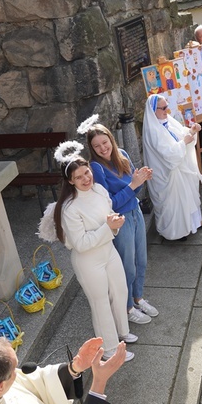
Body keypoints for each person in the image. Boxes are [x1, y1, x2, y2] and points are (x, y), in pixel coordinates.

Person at [44, 150, 135, 361]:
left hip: (108, 251)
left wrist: (115, 224)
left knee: (120, 291)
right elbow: (81, 243)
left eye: (87, 173)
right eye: (79, 177)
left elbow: (109, 217)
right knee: (100, 302)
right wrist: (108, 228)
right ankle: (110, 349)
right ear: (70, 181)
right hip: (88, 261)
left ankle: (122, 332)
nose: (86, 179)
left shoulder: (100, 190)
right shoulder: (69, 207)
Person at [87, 123, 158, 326]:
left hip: (135, 212)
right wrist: (133, 184)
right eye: (97, 145)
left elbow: (134, 190)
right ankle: (126, 308)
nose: (103, 148)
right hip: (120, 219)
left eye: (105, 142)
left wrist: (141, 179)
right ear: (92, 148)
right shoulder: (96, 168)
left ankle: (138, 298)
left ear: (111, 139)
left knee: (141, 260)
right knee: (127, 266)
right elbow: (109, 203)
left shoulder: (122, 154)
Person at [142, 94, 202, 241]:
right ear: (153, 111)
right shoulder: (152, 131)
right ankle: (175, 232)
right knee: (174, 204)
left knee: (188, 197)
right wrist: (184, 143)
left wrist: (191, 131)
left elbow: (181, 132)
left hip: (180, 169)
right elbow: (168, 154)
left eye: (167, 106)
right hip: (167, 174)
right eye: (163, 108)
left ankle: (194, 223)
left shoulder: (167, 120)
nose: (167, 111)